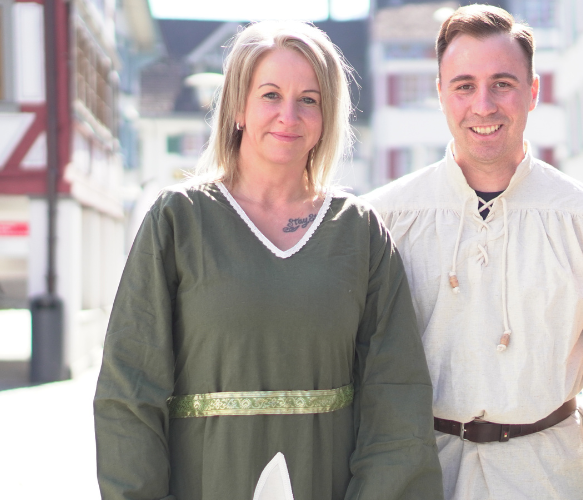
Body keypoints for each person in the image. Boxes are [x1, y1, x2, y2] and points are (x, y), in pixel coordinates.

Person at [94, 21, 444, 500]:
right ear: (238, 106)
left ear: (327, 117)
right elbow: (129, 391)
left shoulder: (358, 232)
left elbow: (395, 395)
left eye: (309, 99)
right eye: (271, 95)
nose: (289, 115)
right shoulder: (178, 221)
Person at [362, 5, 583, 499]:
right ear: (440, 95)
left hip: (555, 478)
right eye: (464, 85)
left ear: (533, 91)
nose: (484, 105)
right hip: (424, 477)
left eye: (503, 83)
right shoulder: (381, 222)